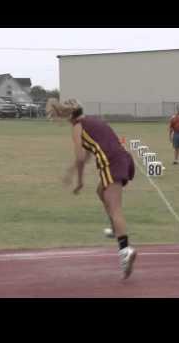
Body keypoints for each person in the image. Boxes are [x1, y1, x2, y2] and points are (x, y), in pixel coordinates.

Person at [46, 98, 137, 279]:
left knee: (116, 209)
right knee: (100, 191)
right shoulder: (93, 121)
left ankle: (125, 250)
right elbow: (87, 154)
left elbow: (81, 157)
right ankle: (114, 228)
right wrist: (71, 172)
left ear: (68, 116)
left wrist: (79, 181)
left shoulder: (77, 127)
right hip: (123, 159)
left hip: (111, 163)